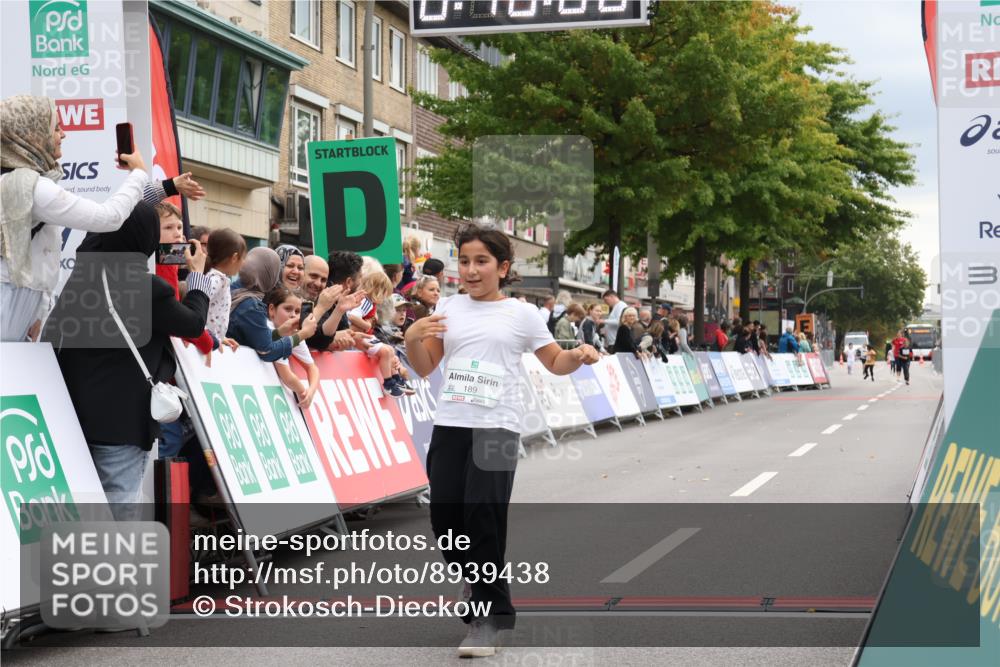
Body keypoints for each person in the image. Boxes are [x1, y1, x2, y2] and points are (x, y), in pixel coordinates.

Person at [404, 223, 599, 657]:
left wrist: (579, 355)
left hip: (498, 427)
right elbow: (424, 367)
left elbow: (555, 362)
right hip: (452, 424)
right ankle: (484, 591)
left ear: (502, 266)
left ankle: (488, 618)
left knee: (483, 519)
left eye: (482, 261)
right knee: (446, 524)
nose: (471, 270)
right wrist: (412, 338)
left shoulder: (522, 314)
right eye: (465, 261)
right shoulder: (448, 309)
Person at [55, 202, 211, 520]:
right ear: (147, 237)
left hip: (70, 416)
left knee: (80, 513)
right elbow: (194, 324)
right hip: (122, 422)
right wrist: (198, 278)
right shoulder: (146, 287)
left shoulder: (80, 280)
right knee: (120, 514)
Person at [1, 95, 146, 341]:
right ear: (32, 135)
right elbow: (108, 218)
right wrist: (139, 174)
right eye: (55, 128)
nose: (63, 134)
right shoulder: (31, 187)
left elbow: (40, 251)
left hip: (18, 296)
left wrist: (39, 310)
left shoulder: (15, 182)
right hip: (11, 297)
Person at [227, 247, 316, 361]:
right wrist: (302, 334)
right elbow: (266, 350)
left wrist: (280, 331)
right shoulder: (252, 304)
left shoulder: (237, 290)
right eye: (276, 270)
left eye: (300, 268)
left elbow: (257, 336)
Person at [265, 287, 320, 409]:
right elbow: (286, 376)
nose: (293, 315)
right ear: (272, 310)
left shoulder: (295, 333)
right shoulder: (267, 327)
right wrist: (303, 392)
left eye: (297, 311)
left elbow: (312, 368)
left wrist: (311, 392)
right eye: (288, 309)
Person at [202, 227, 246, 345]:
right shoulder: (216, 280)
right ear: (235, 257)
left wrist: (221, 338)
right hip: (207, 344)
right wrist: (208, 335)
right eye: (243, 258)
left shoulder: (220, 279)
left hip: (212, 341)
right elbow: (198, 303)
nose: (243, 262)